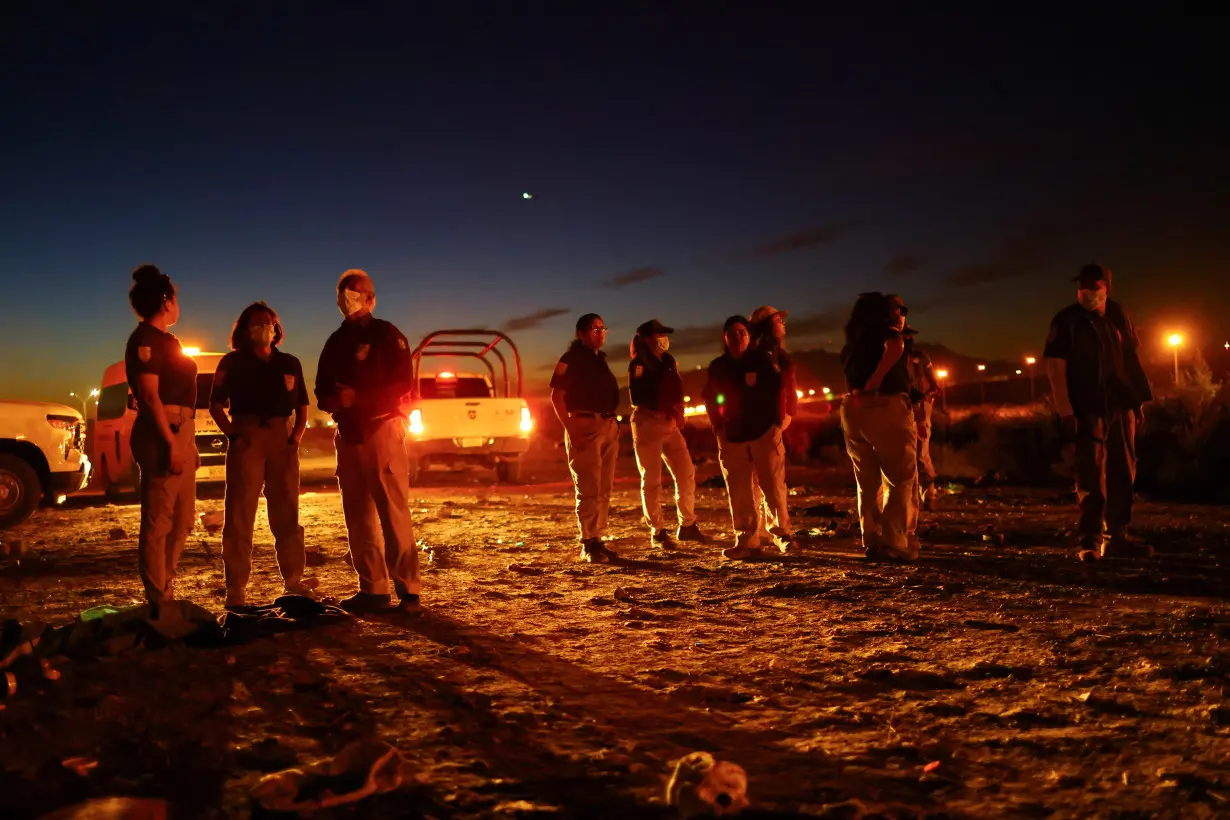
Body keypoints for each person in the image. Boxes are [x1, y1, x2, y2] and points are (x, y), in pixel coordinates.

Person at [315, 269, 420, 614]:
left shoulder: (387, 335)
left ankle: (409, 591)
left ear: (372, 299)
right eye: (344, 292)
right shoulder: (334, 341)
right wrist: (335, 401)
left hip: (381, 430)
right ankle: (372, 588)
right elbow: (321, 389)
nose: (350, 297)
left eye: (358, 292)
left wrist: (356, 398)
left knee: (392, 511)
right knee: (357, 514)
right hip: (348, 435)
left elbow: (402, 382)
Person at [209, 301, 316, 608]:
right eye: (256, 323)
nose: (263, 328)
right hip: (247, 436)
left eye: (268, 322)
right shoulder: (231, 363)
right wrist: (234, 435)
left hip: (282, 438)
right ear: (244, 329)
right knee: (240, 513)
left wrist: (295, 437)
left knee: (287, 510)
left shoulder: (289, 363)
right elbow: (216, 405)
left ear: (276, 327)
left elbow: (302, 407)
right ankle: (236, 588)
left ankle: (293, 580)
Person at [1044, 263, 1153, 561]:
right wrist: (1065, 410)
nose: (1088, 292)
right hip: (1087, 407)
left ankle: (1119, 535)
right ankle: (1090, 541)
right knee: (1091, 474)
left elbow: (1131, 358)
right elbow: (1055, 368)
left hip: (1119, 405)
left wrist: (1137, 401)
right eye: (1083, 286)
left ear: (1107, 287)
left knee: (1123, 470)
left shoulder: (1119, 315)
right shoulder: (1066, 320)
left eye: (1095, 286)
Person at [124, 264, 199, 616]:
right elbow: (150, 396)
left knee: (184, 518)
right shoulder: (145, 340)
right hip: (163, 433)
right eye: (176, 299)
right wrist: (170, 443)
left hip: (183, 428)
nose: (178, 305)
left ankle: (165, 583)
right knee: (159, 520)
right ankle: (159, 598)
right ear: (166, 301)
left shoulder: (169, 341)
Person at [703, 314, 797, 559]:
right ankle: (746, 540)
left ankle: (783, 535)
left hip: (763, 433)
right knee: (740, 491)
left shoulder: (762, 361)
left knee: (773, 487)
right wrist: (718, 425)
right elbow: (711, 398)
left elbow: (780, 390)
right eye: (732, 332)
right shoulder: (718, 366)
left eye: (742, 332)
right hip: (733, 436)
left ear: (749, 335)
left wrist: (777, 423)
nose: (738, 336)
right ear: (725, 337)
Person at [839, 292, 920, 561]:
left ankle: (871, 539)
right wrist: (875, 382)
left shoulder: (853, 340)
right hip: (884, 405)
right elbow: (895, 347)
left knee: (867, 480)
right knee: (899, 478)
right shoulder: (886, 331)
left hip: (854, 409)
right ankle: (895, 542)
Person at [628, 319, 706, 549]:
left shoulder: (669, 361)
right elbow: (637, 397)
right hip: (648, 423)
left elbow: (676, 388)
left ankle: (687, 525)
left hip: (669, 424)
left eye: (664, 333)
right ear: (646, 338)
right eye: (658, 334)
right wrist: (667, 406)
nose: (663, 338)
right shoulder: (639, 364)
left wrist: (678, 409)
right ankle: (658, 531)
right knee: (652, 480)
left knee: (686, 472)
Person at [550, 313, 621, 563]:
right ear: (580, 333)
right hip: (584, 424)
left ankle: (598, 538)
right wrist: (571, 428)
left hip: (607, 424)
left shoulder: (600, 361)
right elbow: (556, 396)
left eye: (603, 328)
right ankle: (588, 542)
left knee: (604, 487)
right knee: (589, 486)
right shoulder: (571, 360)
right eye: (594, 328)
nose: (600, 332)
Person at [747, 305, 801, 553]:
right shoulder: (762, 352)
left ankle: (763, 531)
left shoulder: (774, 351)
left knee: (764, 481)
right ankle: (781, 532)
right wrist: (780, 416)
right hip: (765, 425)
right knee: (772, 481)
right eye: (778, 320)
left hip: (771, 422)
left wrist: (788, 412)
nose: (783, 324)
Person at [888, 294, 941, 510]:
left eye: (909, 335)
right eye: (904, 335)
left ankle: (929, 494)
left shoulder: (922, 357)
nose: (907, 339)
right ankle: (910, 499)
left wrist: (926, 398)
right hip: (901, 407)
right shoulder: (893, 357)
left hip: (920, 407)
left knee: (921, 452)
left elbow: (935, 383)